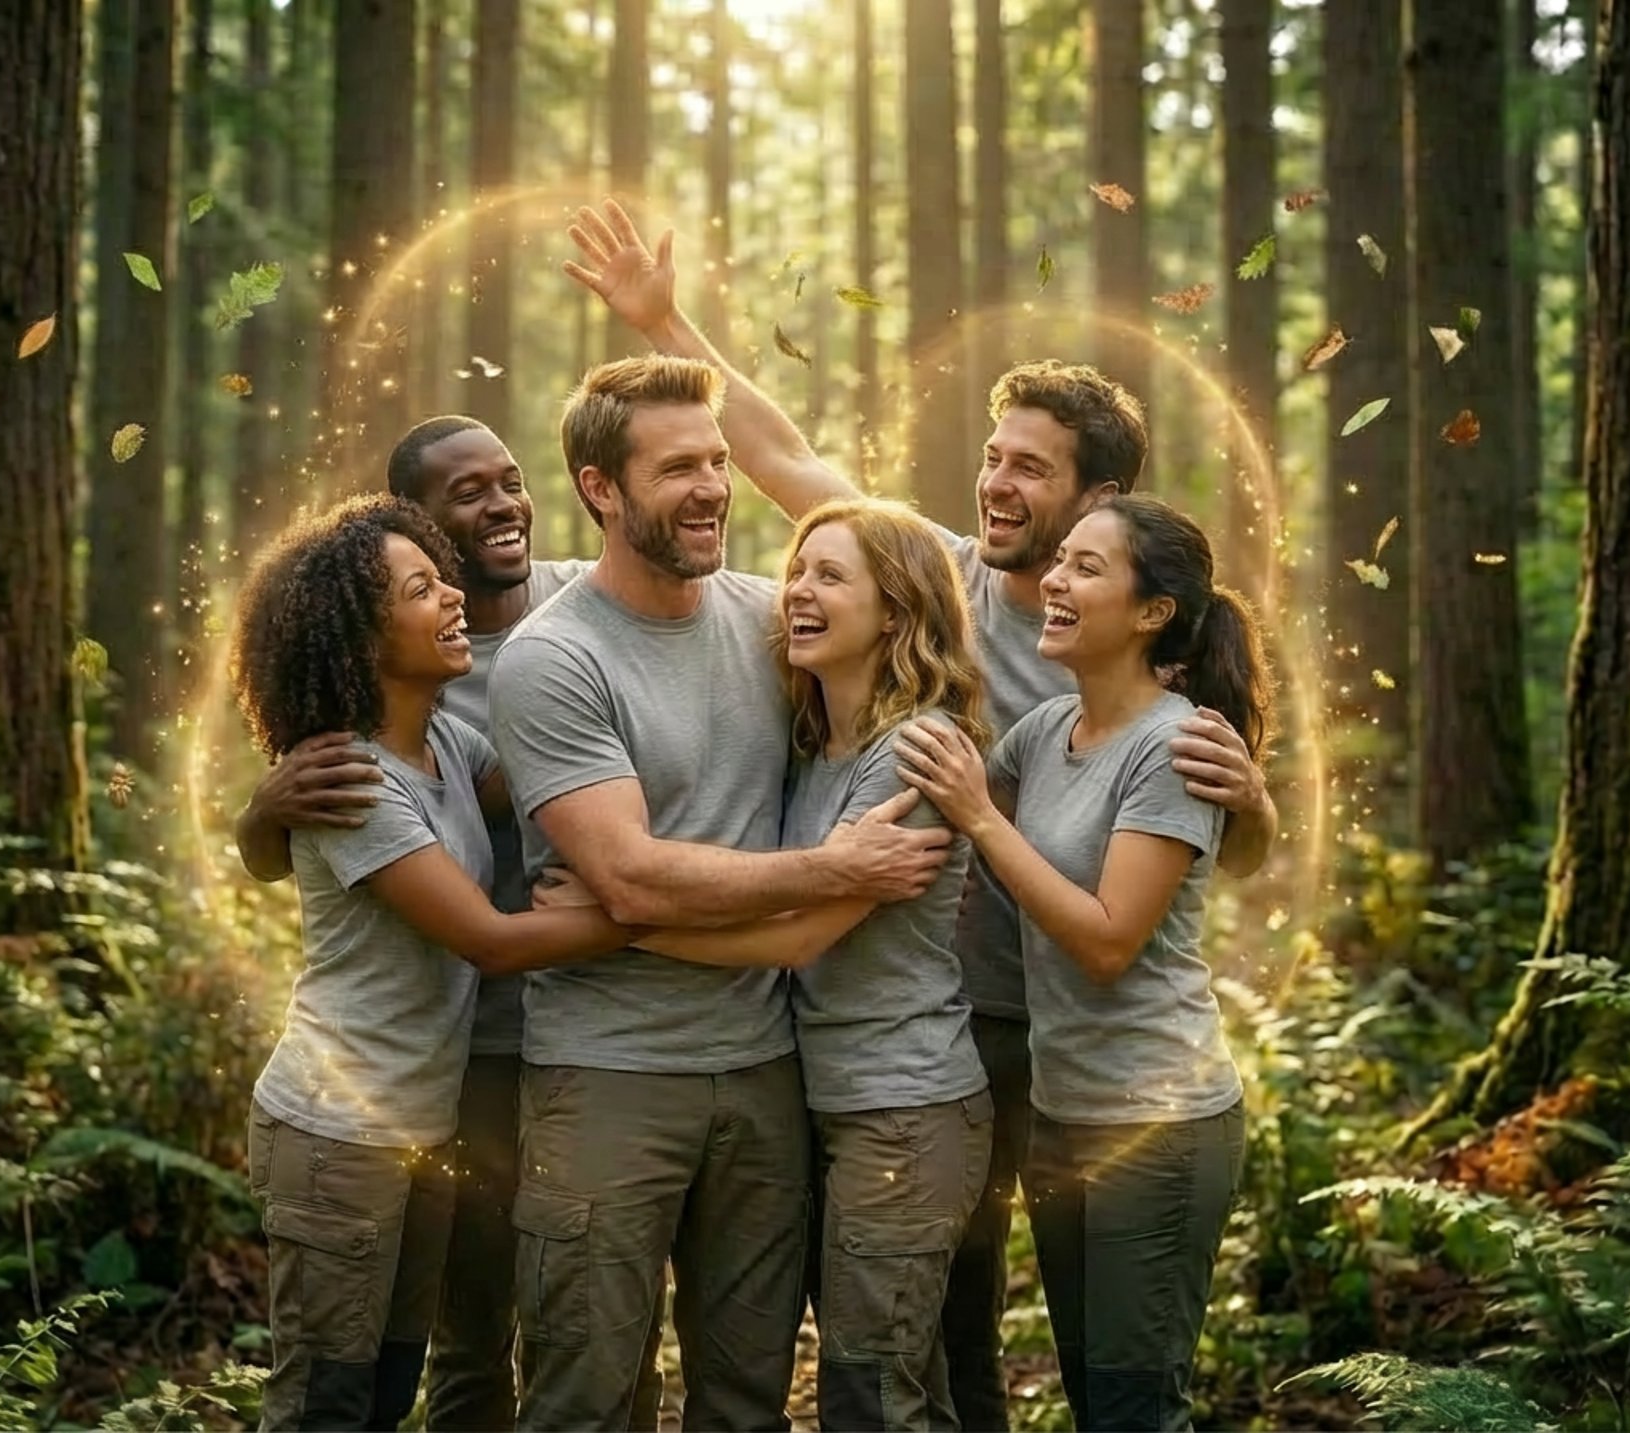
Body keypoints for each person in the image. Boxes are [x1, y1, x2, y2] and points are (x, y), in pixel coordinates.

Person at [564, 197, 1277, 1429]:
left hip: (1045, 1034)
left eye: (1030, 469)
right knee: (940, 1328)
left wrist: (1255, 798)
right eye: (994, 457)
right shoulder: (933, 580)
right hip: (938, 1007)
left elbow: (1220, 841)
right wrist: (664, 324)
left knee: (1072, 1348)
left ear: (1099, 499)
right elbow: (788, 464)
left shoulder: (1140, 661)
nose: (998, 484)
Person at [485, 356, 958, 1430]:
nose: (711, 486)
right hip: (607, 1077)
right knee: (584, 1395)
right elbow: (628, 872)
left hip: (766, 1074)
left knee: (747, 1400)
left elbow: (919, 609)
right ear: (600, 486)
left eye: (716, 460)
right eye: (677, 467)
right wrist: (835, 867)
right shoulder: (555, 659)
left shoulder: (769, 623)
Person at [227, 493, 631, 1431]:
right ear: (363, 636)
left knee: (387, 1388)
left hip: (417, 1130)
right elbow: (489, 941)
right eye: (422, 589)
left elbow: (546, 793)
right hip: (335, 1137)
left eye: (442, 577)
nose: (455, 598)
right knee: (325, 1402)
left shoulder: (447, 740)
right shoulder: (353, 780)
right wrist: (647, 908)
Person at [893, 495, 1272, 1432]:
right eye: (1060, 563)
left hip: (1160, 1126)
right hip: (1064, 1117)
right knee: (1093, 1392)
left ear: (1153, 613)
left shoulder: (1175, 744)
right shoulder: (1048, 732)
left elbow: (1107, 939)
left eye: (1087, 568)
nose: (1055, 582)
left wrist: (984, 817)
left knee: (1135, 1407)